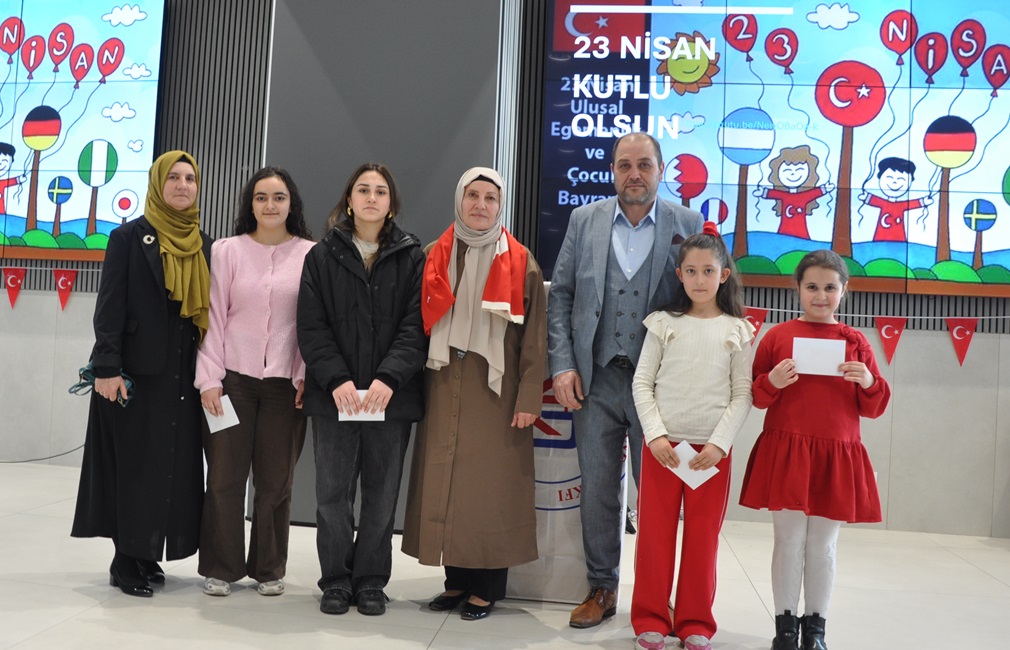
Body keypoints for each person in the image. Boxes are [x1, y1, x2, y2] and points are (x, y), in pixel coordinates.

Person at [547, 132, 704, 628]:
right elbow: (561, 296)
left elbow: (704, 300)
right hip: (595, 380)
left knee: (659, 496)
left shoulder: (688, 223)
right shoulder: (584, 220)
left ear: (661, 169)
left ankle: (657, 596)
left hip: (659, 387)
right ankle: (602, 587)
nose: (634, 174)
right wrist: (563, 364)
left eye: (644, 165)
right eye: (624, 165)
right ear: (612, 170)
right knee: (597, 490)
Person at [401, 167, 546, 621]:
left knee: (489, 488)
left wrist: (529, 397)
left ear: (501, 206)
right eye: (472, 195)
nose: (481, 205)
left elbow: (535, 336)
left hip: (496, 388)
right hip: (443, 380)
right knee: (448, 482)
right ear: (459, 200)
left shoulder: (521, 261)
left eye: (490, 198)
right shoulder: (434, 254)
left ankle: (487, 587)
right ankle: (457, 581)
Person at [71, 150, 212, 597]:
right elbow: (109, 307)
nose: (183, 185)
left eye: (190, 178)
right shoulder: (128, 238)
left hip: (183, 377)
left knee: (168, 465)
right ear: (157, 184)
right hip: (133, 376)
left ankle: (148, 552)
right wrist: (107, 368)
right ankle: (125, 558)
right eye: (173, 177)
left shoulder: (204, 244)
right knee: (132, 465)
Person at [739, 249, 891, 650]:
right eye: (812, 287)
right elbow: (756, 397)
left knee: (823, 544)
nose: (820, 296)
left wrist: (867, 381)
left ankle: (816, 629)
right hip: (788, 450)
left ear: (844, 290)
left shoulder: (856, 341)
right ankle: (786, 628)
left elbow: (873, 408)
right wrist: (771, 381)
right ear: (797, 288)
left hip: (837, 453)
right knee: (788, 540)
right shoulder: (777, 336)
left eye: (829, 287)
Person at [297, 162, 427, 616]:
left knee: (381, 495)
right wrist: (337, 380)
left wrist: (389, 378)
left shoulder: (412, 257)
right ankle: (335, 580)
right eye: (363, 190)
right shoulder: (320, 256)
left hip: (390, 398)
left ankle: (371, 581)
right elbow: (311, 327)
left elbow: (416, 326)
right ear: (349, 200)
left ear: (391, 204)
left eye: (380, 191)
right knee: (332, 496)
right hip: (336, 397)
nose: (372, 197)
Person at [629, 222, 754, 650]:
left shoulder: (738, 329)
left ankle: (695, 621)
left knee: (702, 540)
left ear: (724, 275)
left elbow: (743, 394)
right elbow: (642, 383)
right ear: (679, 275)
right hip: (663, 450)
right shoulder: (663, 323)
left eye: (708, 271)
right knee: (654, 536)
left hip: (710, 456)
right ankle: (650, 616)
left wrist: (719, 444)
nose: (700, 279)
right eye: (691, 271)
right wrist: (655, 435)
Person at [195, 166, 315, 597]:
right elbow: (213, 316)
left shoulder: (311, 254)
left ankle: (269, 568)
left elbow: (311, 323)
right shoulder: (227, 251)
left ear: (291, 204)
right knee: (224, 477)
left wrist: (305, 375)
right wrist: (209, 379)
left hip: (286, 387)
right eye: (261, 197)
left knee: (275, 482)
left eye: (279, 197)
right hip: (232, 383)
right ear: (250, 203)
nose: (270, 205)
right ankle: (220, 567)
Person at [752, 145, 835, 240]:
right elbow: (774, 193)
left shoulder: (804, 196)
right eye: (787, 170)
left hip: (802, 232)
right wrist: (763, 192)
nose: (793, 174)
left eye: (799, 170)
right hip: (784, 231)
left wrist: (825, 188)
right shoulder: (784, 195)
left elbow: (815, 193)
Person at [857, 157, 933, 243]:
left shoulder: (902, 205)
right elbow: (874, 200)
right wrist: (866, 197)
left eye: (901, 179)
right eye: (890, 178)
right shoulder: (883, 203)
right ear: (880, 177)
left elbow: (912, 203)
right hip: (880, 238)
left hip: (899, 239)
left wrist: (923, 202)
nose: (895, 182)